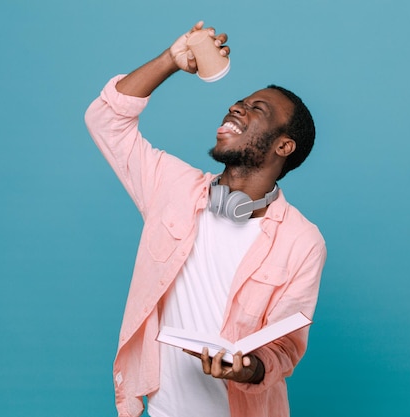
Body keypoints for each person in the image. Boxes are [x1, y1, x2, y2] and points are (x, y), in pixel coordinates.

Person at [85, 21, 326, 417]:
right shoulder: (172, 189)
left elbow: (284, 349)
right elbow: (105, 120)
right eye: (239, 102)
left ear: (284, 145)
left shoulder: (302, 241)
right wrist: (170, 60)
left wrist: (247, 370)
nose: (236, 107)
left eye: (256, 109)